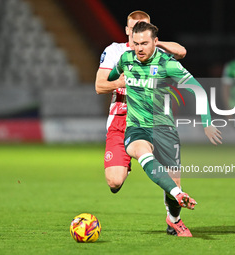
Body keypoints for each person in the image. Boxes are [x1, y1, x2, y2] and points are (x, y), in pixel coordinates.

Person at [108, 21, 222, 237]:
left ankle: (174, 219)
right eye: (136, 43)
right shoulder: (126, 59)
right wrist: (115, 85)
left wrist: (207, 122)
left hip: (165, 129)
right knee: (141, 151)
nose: (139, 48)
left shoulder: (167, 64)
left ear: (155, 42)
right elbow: (112, 76)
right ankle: (179, 194)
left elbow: (198, 90)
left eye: (144, 43)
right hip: (137, 126)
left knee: (173, 181)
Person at [95, 11, 187, 236]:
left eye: (142, 27)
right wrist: (121, 81)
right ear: (126, 30)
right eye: (133, 27)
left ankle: (173, 219)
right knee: (114, 182)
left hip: (154, 122)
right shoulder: (115, 51)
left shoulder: (153, 50)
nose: (136, 31)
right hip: (121, 119)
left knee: (173, 177)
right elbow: (99, 85)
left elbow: (182, 51)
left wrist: (155, 43)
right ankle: (130, 158)